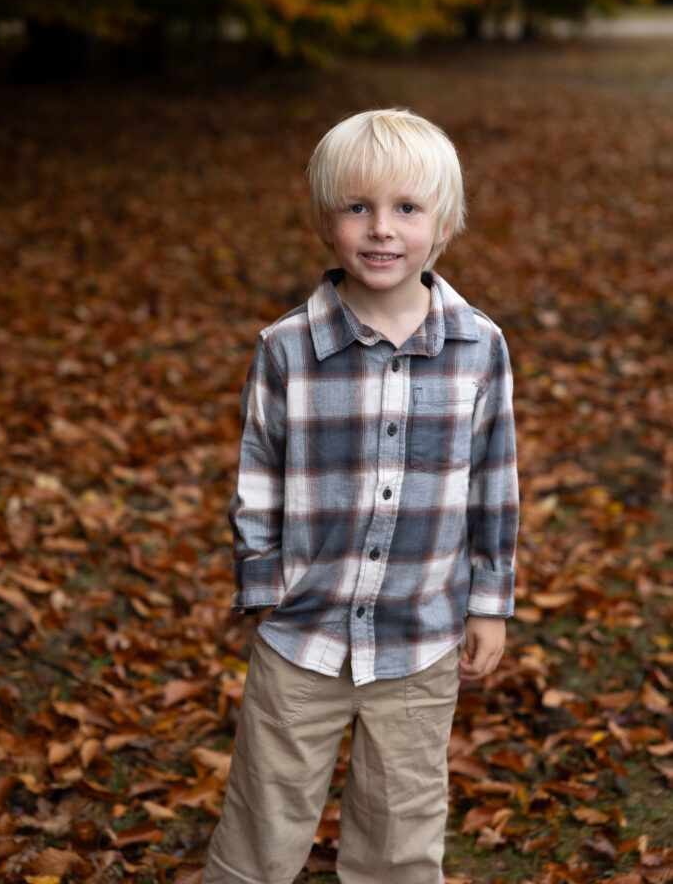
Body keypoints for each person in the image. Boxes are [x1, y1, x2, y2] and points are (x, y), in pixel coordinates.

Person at [202, 108, 519, 884]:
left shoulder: (479, 346)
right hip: (302, 632)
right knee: (262, 819)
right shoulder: (286, 348)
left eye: (406, 208)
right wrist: (263, 584)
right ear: (324, 220)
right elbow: (258, 470)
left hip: (420, 632)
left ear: (442, 223)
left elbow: (494, 482)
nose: (381, 230)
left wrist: (488, 602)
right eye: (357, 208)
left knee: (400, 828)